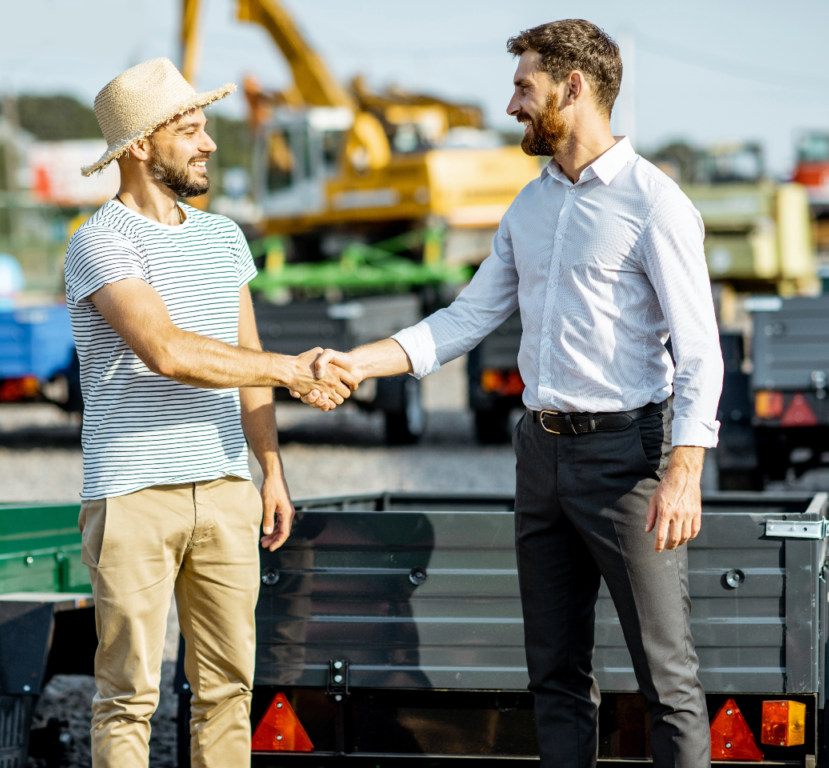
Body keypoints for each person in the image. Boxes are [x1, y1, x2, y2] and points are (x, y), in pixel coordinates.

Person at [305, 20, 722, 768]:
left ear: (574, 87)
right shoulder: (529, 208)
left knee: (668, 678)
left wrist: (684, 469)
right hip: (540, 455)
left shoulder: (654, 204)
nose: (511, 107)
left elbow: (701, 352)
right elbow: (464, 318)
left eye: (523, 88)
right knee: (555, 677)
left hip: (629, 461)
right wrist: (360, 364)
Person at [65, 57, 354, 768]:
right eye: (190, 131)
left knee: (229, 690)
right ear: (140, 147)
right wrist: (292, 371)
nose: (208, 144)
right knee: (130, 695)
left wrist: (271, 472)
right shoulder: (100, 240)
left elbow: (243, 357)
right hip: (132, 493)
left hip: (226, 489)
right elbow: (165, 349)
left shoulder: (225, 236)